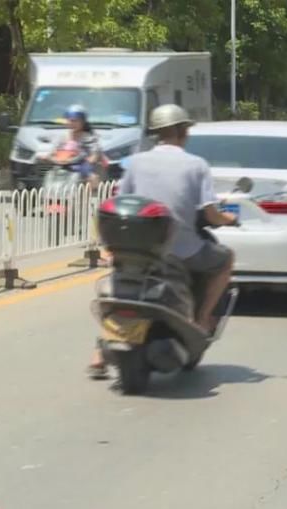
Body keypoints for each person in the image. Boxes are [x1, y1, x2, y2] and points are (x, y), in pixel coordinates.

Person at [87, 104, 238, 378]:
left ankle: (99, 353)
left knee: (120, 287)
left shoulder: (136, 162)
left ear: (157, 134)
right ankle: (203, 318)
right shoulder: (196, 165)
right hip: (183, 251)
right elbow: (210, 214)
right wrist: (227, 218)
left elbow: (124, 201)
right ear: (182, 131)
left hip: (137, 248)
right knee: (225, 259)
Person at [39, 105, 102, 189]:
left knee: (88, 173)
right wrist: (47, 156)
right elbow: (54, 150)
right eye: (70, 120)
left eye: (76, 121)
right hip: (63, 164)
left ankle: (90, 194)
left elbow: (94, 151)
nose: (72, 123)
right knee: (50, 174)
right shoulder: (62, 136)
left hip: (80, 165)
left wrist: (92, 158)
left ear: (83, 122)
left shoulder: (87, 137)